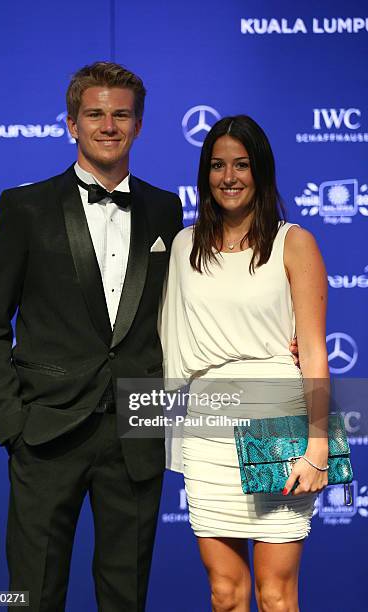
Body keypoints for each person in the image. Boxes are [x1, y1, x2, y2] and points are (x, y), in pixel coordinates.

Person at [0, 61, 183, 611]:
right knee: (30, 597)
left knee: (125, 597)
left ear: (139, 125)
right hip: (45, 434)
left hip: (136, 434)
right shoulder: (24, 207)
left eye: (121, 114)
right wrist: (12, 424)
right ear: (71, 124)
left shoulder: (166, 210)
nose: (107, 125)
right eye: (94, 114)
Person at [160, 115, 329, 612]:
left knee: (275, 596)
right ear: (204, 173)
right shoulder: (184, 246)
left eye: (241, 164)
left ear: (261, 171)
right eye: (217, 165)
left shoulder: (293, 242)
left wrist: (316, 446)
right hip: (207, 430)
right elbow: (168, 339)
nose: (228, 177)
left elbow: (314, 350)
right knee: (224, 594)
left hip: (277, 426)